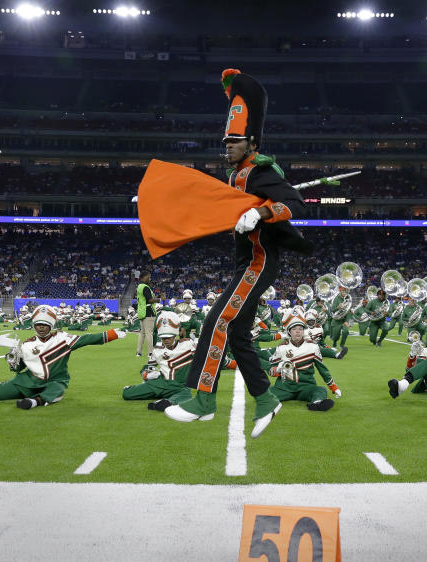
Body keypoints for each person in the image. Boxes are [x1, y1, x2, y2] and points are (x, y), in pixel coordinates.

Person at [163, 69, 310, 439]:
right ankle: (265, 399)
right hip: (249, 262)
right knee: (239, 335)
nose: (226, 146)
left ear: (251, 142)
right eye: (225, 140)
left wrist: (259, 212)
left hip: (260, 263)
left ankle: (203, 399)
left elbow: (295, 204)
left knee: (217, 322)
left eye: (234, 140)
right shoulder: (237, 174)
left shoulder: (260, 170)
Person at [0, 305, 128, 409]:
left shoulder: (63, 338)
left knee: (57, 389)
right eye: (38, 325)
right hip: (29, 380)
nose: (41, 328)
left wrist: (112, 334)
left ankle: (35, 401)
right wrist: (13, 360)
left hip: (54, 381)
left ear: (51, 325)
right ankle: (30, 394)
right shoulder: (27, 344)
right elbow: (18, 369)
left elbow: (88, 339)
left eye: (45, 325)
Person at [266, 315, 341, 414]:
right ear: (289, 331)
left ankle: (316, 404)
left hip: (306, 386)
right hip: (284, 387)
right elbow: (271, 370)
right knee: (264, 394)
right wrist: (278, 369)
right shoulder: (281, 348)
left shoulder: (313, 347)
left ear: (303, 331)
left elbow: (322, 369)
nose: (298, 331)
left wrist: (333, 387)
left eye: (300, 329)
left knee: (321, 390)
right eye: (294, 329)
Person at [122, 312, 195, 412]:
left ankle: (166, 403)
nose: (166, 340)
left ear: (175, 335)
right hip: (159, 383)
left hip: (177, 386)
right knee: (126, 394)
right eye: (163, 337)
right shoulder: (157, 349)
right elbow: (147, 367)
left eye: (169, 337)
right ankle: (164, 398)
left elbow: (208, 353)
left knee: (186, 393)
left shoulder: (188, 345)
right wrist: (147, 375)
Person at [135, 272, 157, 358]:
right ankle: (150, 353)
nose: (149, 278)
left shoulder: (139, 286)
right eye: (149, 277)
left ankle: (138, 352)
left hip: (142, 311)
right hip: (148, 312)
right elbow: (150, 300)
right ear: (144, 277)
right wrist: (159, 299)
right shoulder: (145, 287)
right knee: (149, 333)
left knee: (142, 333)